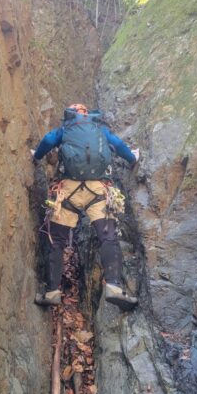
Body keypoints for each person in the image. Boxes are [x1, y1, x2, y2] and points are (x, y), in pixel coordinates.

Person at [32, 103, 139, 311]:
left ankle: (52, 292)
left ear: (69, 114)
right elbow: (117, 144)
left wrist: (36, 156)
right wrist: (132, 158)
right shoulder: (99, 129)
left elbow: (48, 141)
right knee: (108, 237)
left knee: (56, 240)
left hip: (68, 190)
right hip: (98, 189)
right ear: (87, 114)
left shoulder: (66, 129)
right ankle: (114, 286)